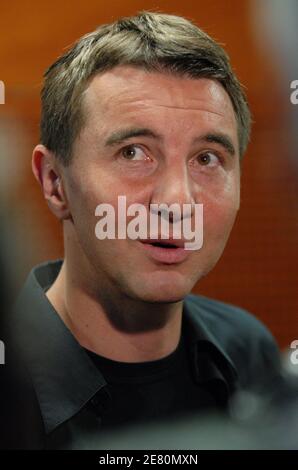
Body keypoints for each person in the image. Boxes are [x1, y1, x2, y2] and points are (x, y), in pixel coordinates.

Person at [11, 11, 280, 449]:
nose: (177, 202)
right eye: (133, 152)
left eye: (207, 158)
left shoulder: (248, 351)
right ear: (55, 183)